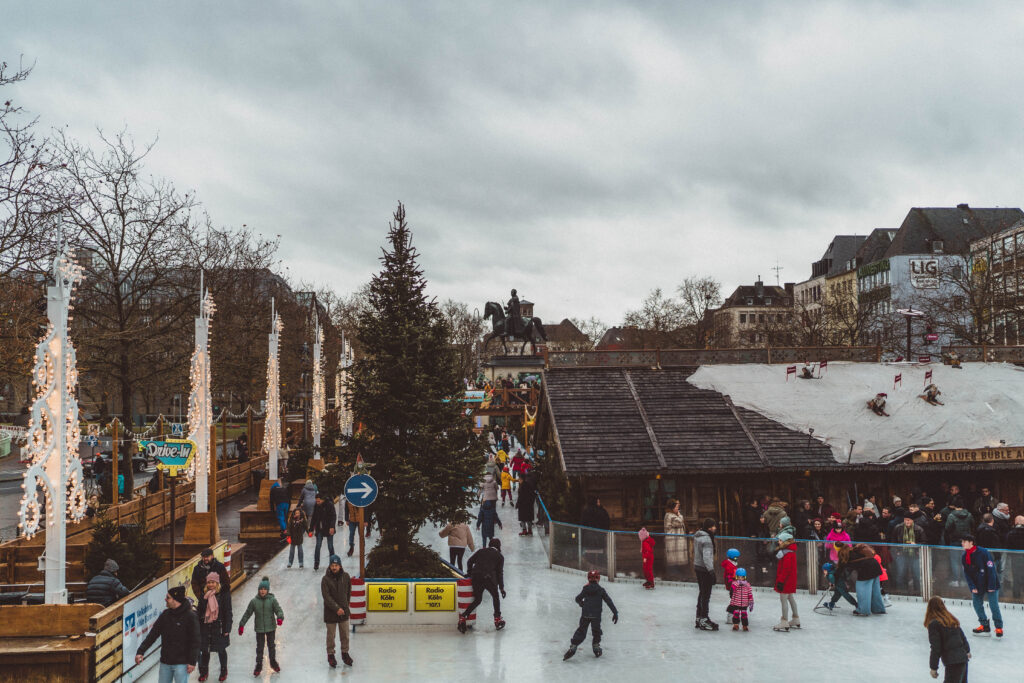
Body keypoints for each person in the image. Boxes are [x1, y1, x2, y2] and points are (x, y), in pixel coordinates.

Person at [134, 586, 200, 683]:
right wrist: (141, 651)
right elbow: (153, 634)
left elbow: (195, 640)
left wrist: (192, 661)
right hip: (166, 661)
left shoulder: (190, 616)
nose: (165, 599)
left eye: (168, 597)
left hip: (182, 663)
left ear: (175, 600)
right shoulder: (165, 615)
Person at [563, 569, 619, 660]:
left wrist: (581, 603)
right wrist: (615, 612)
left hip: (585, 614)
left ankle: (573, 647)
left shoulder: (586, 589)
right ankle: (596, 647)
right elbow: (609, 601)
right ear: (598, 578)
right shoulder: (601, 590)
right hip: (596, 616)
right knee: (596, 631)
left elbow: (577, 598)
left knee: (581, 631)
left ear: (588, 579)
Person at [238, 576, 284, 676]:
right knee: (260, 647)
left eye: (264, 589)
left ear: (268, 590)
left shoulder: (272, 600)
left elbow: (278, 610)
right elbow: (247, 613)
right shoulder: (254, 601)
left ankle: (273, 662)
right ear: (258, 590)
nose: (262, 591)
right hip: (259, 628)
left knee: (271, 646)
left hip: (271, 627)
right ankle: (259, 664)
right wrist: (242, 624)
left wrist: (280, 617)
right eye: (261, 589)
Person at [458, 539, 506, 633]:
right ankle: (497, 619)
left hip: (476, 577)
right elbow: (499, 573)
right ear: (499, 546)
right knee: (495, 597)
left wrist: (470, 573)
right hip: (489, 579)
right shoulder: (500, 556)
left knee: (478, 600)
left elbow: (469, 561)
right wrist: (501, 588)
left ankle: (463, 617)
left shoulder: (481, 551)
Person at [961, 534, 1003, 637]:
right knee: (977, 604)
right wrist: (972, 586)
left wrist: (991, 586)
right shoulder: (965, 556)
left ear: (971, 543)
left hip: (990, 583)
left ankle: (998, 627)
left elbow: (991, 569)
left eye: (964, 541)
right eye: (962, 542)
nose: (962, 543)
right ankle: (984, 625)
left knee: (993, 606)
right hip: (977, 585)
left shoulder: (983, 552)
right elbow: (967, 573)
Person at [195, 571, 232, 682]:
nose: (211, 584)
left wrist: (227, 628)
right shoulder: (204, 596)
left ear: (217, 583)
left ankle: (223, 670)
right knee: (205, 650)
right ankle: (204, 672)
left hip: (219, 627)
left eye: (213, 582)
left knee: (221, 650)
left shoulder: (224, 595)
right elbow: (200, 611)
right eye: (209, 582)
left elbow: (228, 612)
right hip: (205, 627)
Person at [924, 596, 970, 683]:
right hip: (963, 659)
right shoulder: (951, 620)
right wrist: (967, 651)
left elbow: (936, 647)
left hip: (953, 662)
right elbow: (962, 637)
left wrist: (933, 667)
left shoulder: (934, 624)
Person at [321, 554, 353, 667]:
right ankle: (331, 655)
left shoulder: (346, 577)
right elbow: (326, 597)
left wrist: (345, 606)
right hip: (330, 613)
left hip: (344, 611)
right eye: (332, 565)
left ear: (340, 566)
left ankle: (345, 653)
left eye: (336, 565)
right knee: (331, 636)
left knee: (345, 635)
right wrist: (336, 608)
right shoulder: (325, 579)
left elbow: (348, 592)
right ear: (329, 566)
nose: (334, 567)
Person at [841, 544, 886, 616]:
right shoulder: (856, 552)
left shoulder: (849, 557)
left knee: (862, 591)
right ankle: (878, 609)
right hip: (875, 567)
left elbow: (845, 570)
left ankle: (863, 610)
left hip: (867, 570)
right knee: (875, 591)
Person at [693, 518, 718, 631]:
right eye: (713, 526)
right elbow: (707, 557)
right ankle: (704, 618)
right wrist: (711, 572)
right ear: (709, 527)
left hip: (698, 567)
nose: (715, 528)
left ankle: (699, 617)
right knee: (706, 595)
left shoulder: (698, 535)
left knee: (702, 593)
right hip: (704, 569)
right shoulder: (707, 539)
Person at [889, 515, 925, 592]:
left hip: (915, 555)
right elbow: (893, 541)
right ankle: (902, 591)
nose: (907, 521)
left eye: (909, 520)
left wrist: (916, 544)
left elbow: (924, 542)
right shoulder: (898, 528)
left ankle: (917, 591)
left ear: (912, 520)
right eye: (905, 520)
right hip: (901, 554)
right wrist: (897, 552)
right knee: (901, 573)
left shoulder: (919, 529)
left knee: (916, 574)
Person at [773, 531, 800, 631]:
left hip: (786, 581)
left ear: (785, 541)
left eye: (780, 540)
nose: (778, 542)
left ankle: (784, 621)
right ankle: (796, 618)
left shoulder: (788, 554)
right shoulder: (789, 552)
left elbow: (786, 569)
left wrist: (780, 581)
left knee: (783, 599)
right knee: (790, 598)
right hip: (790, 579)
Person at [944, 498, 974, 586]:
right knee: (966, 560)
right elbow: (973, 525)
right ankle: (965, 580)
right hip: (967, 541)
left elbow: (947, 528)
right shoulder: (969, 515)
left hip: (955, 540)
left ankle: (956, 580)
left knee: (955, 561)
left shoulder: (951, 515)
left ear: (954, 505)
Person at [310, 492, 337, 571]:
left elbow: (333, 516)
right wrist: (311, 529)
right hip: (319, 529)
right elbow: (314, 517)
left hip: (329, 528)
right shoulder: (316, 506)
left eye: (318, 501)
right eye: (316, 501)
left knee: (330, 546)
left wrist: (332, 527)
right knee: (318, 546)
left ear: (323, 500)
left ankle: (332, 563)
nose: (317, 502)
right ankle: (316, 562)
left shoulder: (329, 504)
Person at [663, 499, 688, 577]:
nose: (678, 509)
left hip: (676, 539)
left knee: (676, 556)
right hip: (673, 539)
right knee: (673, 557)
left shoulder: (673, 515)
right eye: (677, 507)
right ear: (672, 507)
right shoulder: (670, 515)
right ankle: (673, 573)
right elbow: (679, 522)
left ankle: (677, 572)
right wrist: (680, 515)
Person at [1005, 515, 1024, 599]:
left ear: (1016, 522)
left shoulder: (1011, 533)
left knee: (1016, 576)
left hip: (1015, 557)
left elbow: (1007, 545)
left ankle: (1016, 594)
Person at [516, 471, 537, 536]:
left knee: (522, 518)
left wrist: (517, 504)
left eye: (519, 479)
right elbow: (533, 494)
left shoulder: (522, 486)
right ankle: (530, 530)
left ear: (522, 479)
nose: (518, 480)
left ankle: (524, 530)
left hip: (523, 505)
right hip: (529, 505)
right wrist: (531, 502)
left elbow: (520, 496)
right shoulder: (529, 485)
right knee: (528, 518)